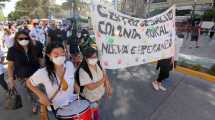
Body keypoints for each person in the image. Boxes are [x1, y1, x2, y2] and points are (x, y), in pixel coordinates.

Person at [26, 43, 78, 119]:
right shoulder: (43, 73)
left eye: (62, 52)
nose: (60, 56)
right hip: (57, 108)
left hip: (72, 102)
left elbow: (73, 79)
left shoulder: (69, 65)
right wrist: (41, 95)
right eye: (56, 54)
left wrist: (77, 89)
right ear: (49, 56)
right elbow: (28, 82)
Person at [7, 31, 43, 113]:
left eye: (26, 38)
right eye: (21, 38)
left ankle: (42, 105)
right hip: (22, 78)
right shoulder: (12, 50)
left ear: (29, 38)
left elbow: (41, 61)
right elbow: (10, 67)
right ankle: (35, 104)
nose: (24, 40)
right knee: (29, 93)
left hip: (36, 75)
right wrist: (11, 79)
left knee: (40, 91)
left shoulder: (34, 48)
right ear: (16, 39)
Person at [75, 46, 112, 120]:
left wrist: (108, 87)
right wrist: (103, 80)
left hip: (99, 96)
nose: (94, 59)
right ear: (86, 58)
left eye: (95, 57)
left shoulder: (99, 64)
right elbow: (90, 87)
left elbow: (105, 76)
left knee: (96, 114)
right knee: (90, 116)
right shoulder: (83, 70)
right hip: (89, 100)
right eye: (91, 57)